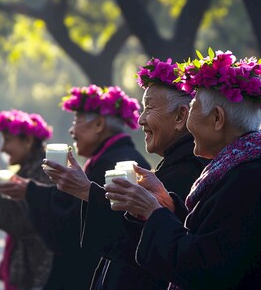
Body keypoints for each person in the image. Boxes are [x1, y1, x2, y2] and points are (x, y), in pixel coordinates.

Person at [42, 58, 208, 289]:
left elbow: (141, 241)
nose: (141, 120)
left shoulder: (190, 171)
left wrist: (86, 190)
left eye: (149, 108)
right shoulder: (173, 164)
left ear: (181, 117)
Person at [105, 49, 261, 289]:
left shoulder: (246, 179)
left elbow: (205, 268)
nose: (188, 121)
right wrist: (168, 205)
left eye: (194, 107)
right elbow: (209, 242)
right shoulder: (237, 168)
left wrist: (153, 212)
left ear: (217, 119)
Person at [0, 85, 151, 290]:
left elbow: (78, 218)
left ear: (98, 124)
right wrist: (32, 191)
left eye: (76, 120)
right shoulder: (106, 158)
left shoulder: (118, 164)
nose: (71, 130)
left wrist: (32, 192)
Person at [0, 109, 53, 290]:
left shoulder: (45, 172)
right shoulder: (29, 168)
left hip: (41, 269)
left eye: (7, 140)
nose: (2, 149)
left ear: (28, 141)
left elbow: (18, 216)